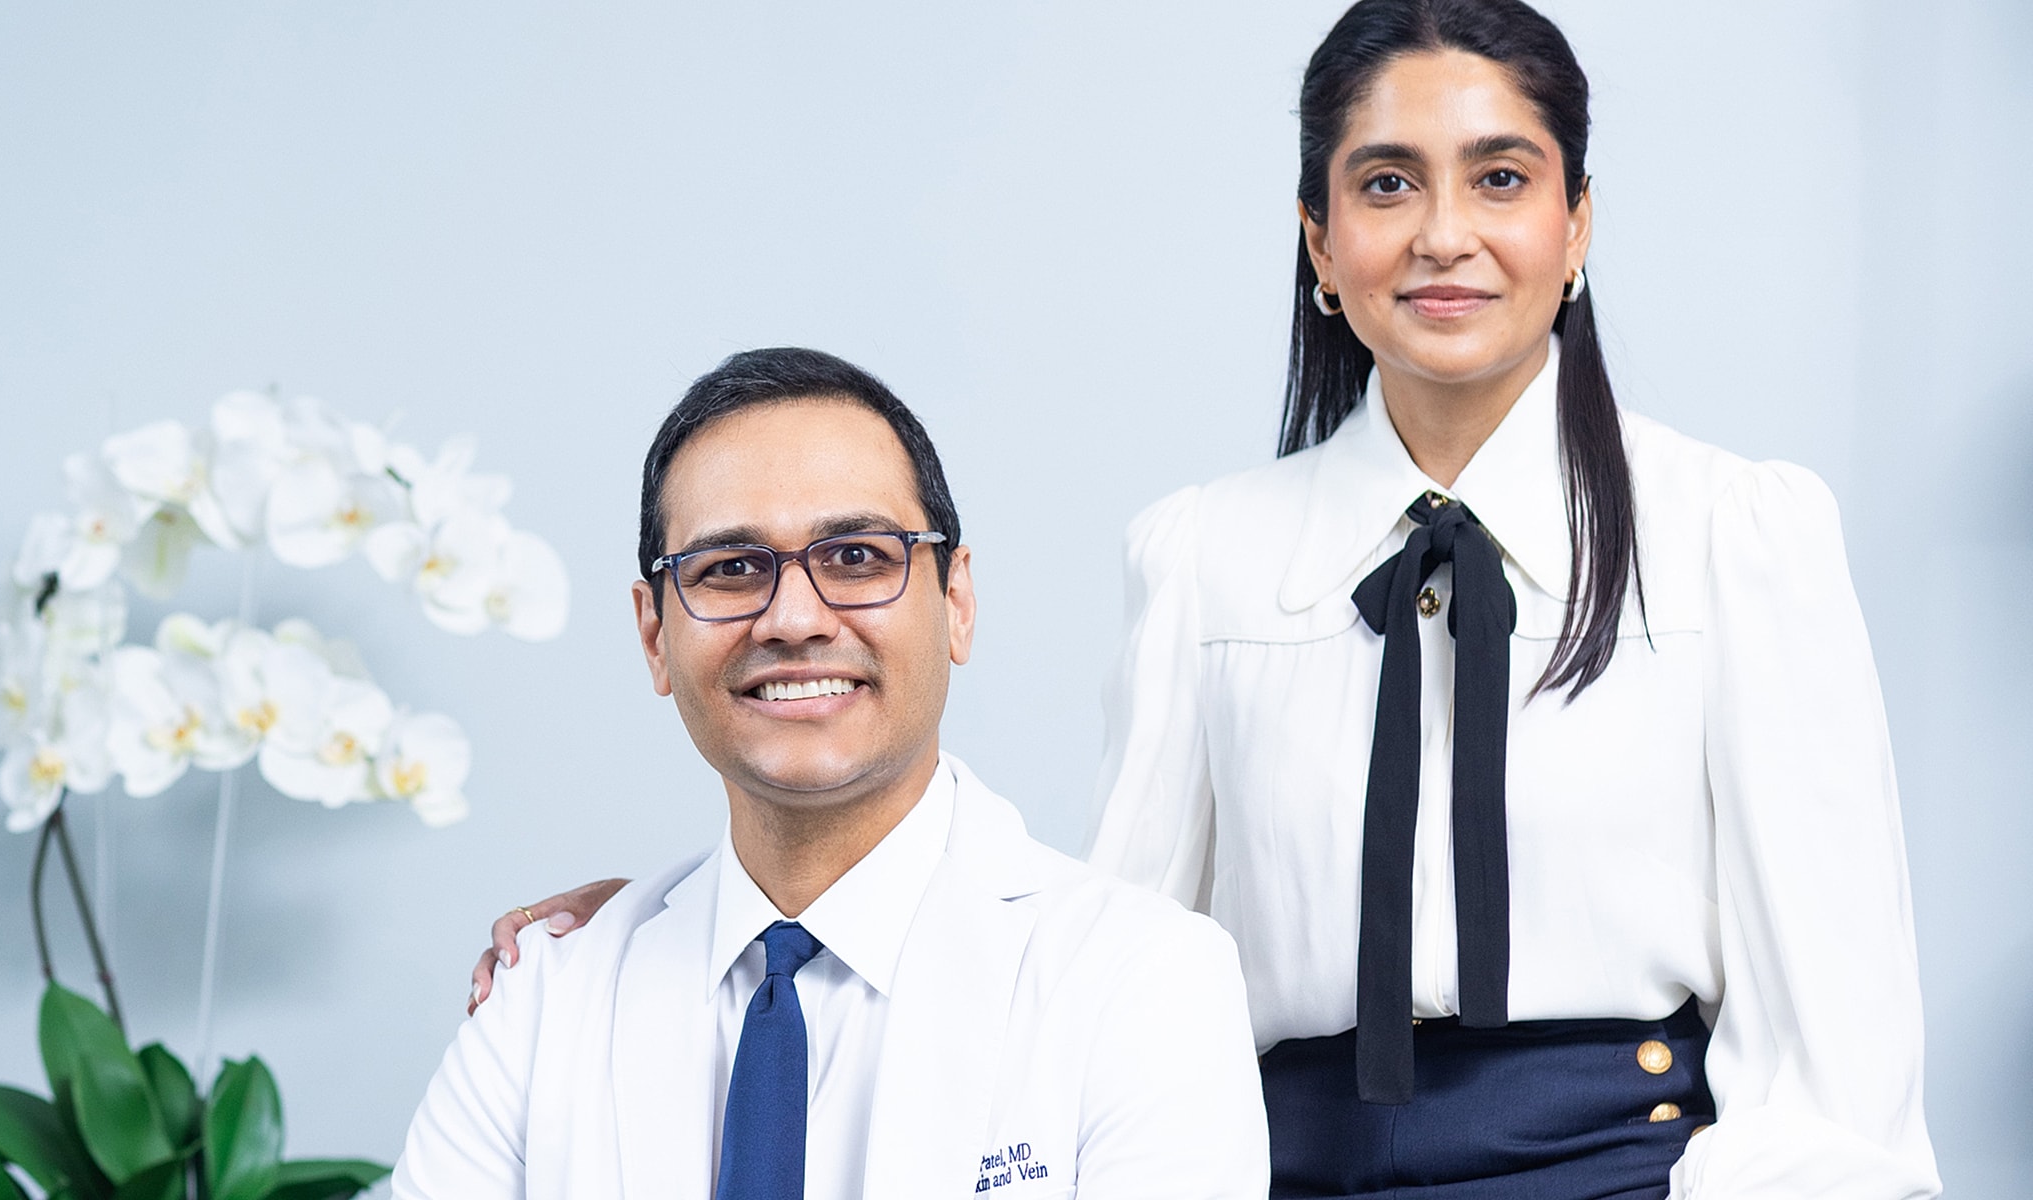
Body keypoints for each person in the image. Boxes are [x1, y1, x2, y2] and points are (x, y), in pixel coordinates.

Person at [479, 3, 1942, 1196]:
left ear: (1576, 228)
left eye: (1501, 178)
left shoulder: (1736, 536)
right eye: (1386, 184)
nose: (1443, 233)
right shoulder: (1203, 557)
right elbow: (1090, 952)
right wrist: (688, 933)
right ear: (1318, 241)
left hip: (1628, 1180)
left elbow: (1837, 1061)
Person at [397, 347, 1268, 1199]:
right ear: (655, 635)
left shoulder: (1144, 983)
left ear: (956, 603)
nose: (794, 618)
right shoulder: (545, 1000)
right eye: (731, 569)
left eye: (856, 557)